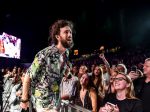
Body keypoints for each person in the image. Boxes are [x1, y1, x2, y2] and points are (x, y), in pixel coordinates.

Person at [20, 19, 75, 112]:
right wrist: (24, 99)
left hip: (56, 100)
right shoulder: (45, 54)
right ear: (58, 36)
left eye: (70, 32)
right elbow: (28, 75)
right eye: (66, 32)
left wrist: (67, 74)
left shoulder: (66, 53)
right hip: (43, 101)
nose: (70, 35)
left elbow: (63, 66)